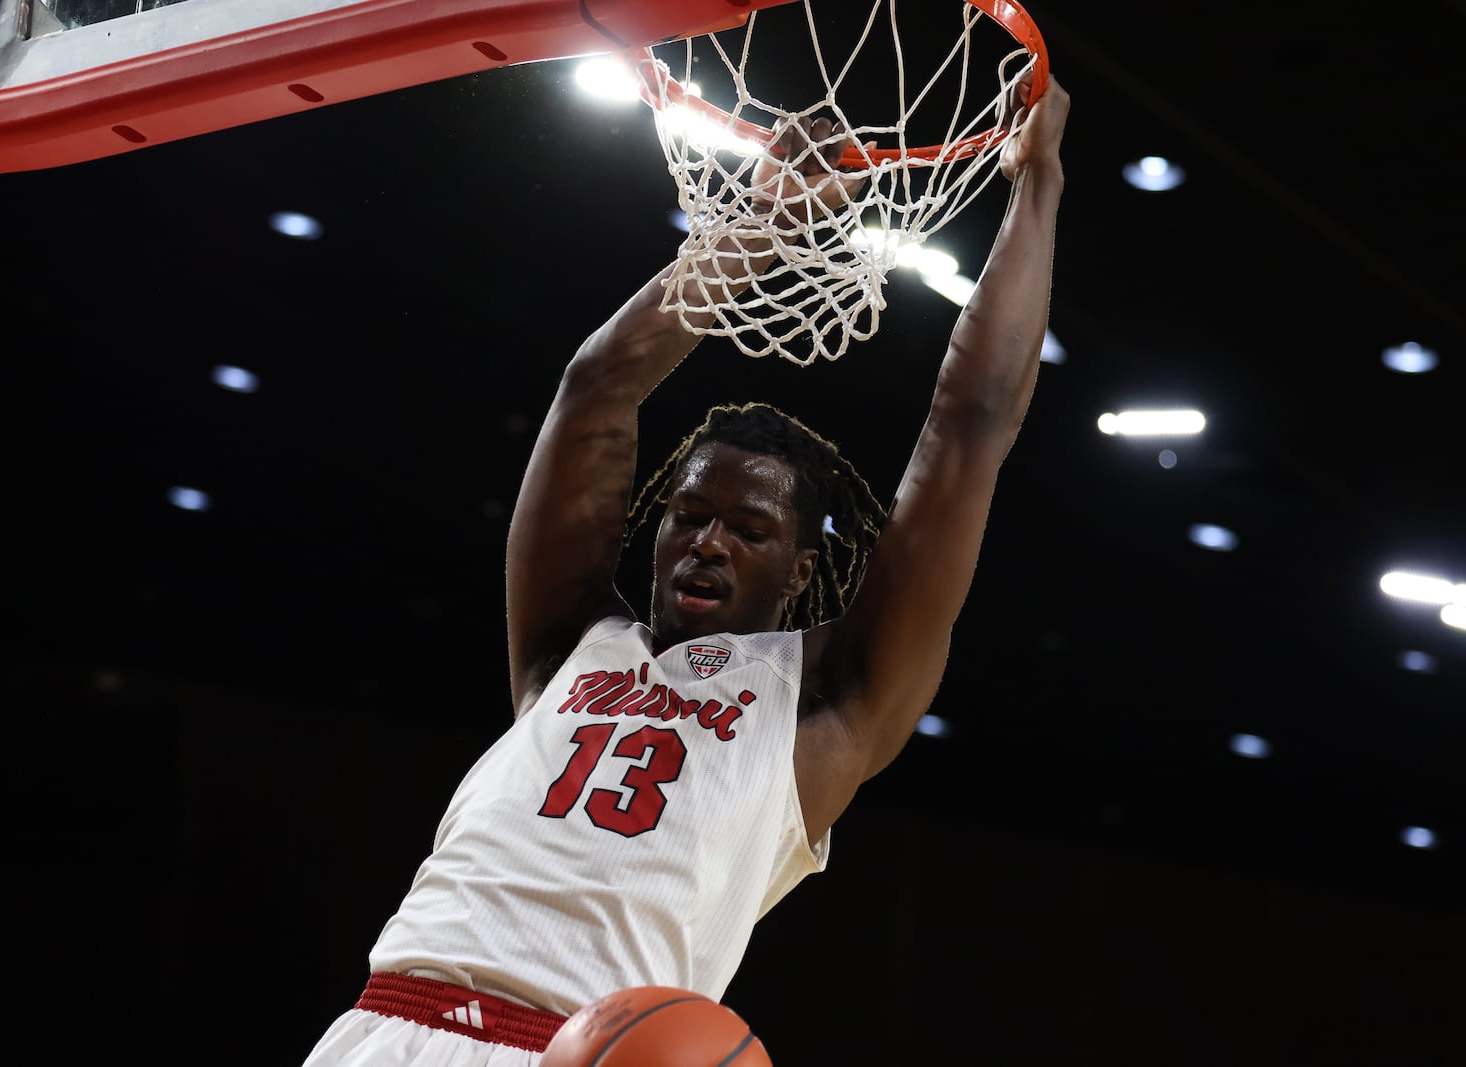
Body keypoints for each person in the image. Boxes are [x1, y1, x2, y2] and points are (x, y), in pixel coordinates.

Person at [302, 69, 1070, 1067]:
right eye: (689, 514)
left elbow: (968, 431)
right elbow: (598, 386)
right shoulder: (570, 643)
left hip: (571, 1048)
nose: (706, 539)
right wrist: (759, 227)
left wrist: (1039, 179)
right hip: (377, 1028)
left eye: (747, 530)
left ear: (799, 572)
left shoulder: (824, 700)